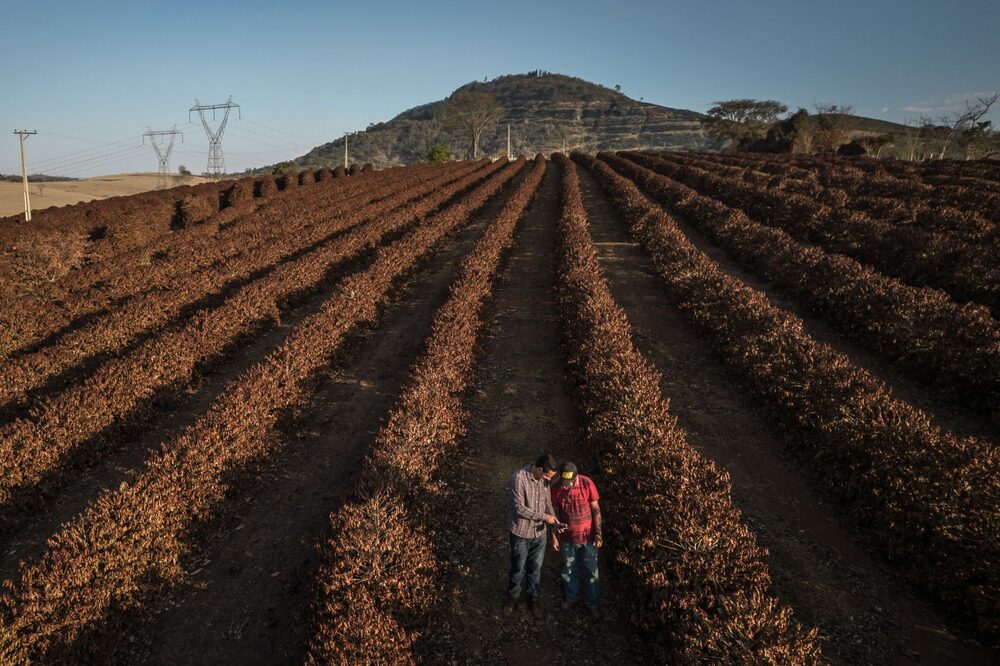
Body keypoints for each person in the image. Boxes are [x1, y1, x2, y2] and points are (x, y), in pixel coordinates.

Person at [504, 453, 561, 618]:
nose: (548, 480)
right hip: (521, 533)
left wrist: (555, 523)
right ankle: (512, 598)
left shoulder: (544, 481)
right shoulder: (519, 478)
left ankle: (533, 600)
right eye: (547, 476)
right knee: (518, 569)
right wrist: (545, 517)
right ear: (539, 469)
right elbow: (520, 509)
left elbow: (547, 505)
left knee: (535, 569)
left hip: (539, 534)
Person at [550, 461, 603, 618]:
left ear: (576, 476)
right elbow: (553, 514)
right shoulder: (556, 487)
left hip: (588, 537)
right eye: (565, 482)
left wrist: (598, 533)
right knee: (569, 569)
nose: (568, 485)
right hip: (568, 538)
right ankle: (571, 598)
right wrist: (554, 537)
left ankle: (592, 603)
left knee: (591, 571)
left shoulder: (587, 483)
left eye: (570, 482)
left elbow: (596, 509)